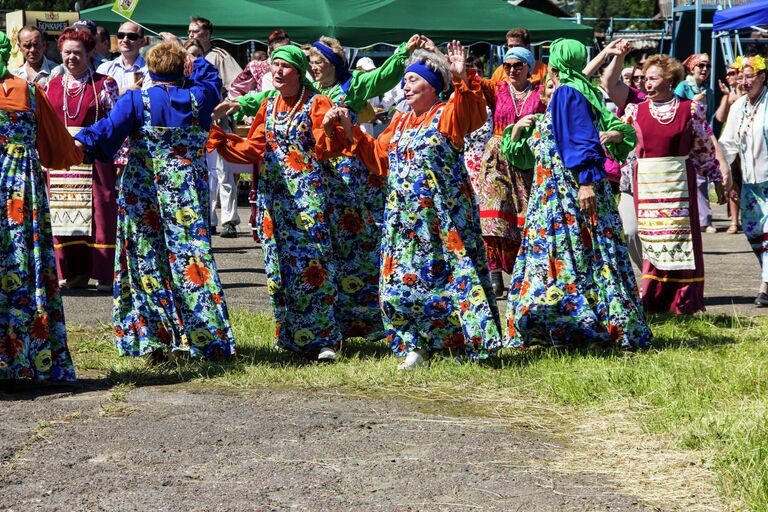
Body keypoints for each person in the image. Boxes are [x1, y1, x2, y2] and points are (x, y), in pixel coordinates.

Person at [228, 35, 422, 342]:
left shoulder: (348, 88)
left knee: (350, 249)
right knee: (310, 256)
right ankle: (306, 328)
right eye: (312, 62)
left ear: (331, 64)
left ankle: (358, 321)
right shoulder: (290, 98)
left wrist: (401, 53)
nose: (315, 68)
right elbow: (261, 103)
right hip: (304, 184)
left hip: (345, 179)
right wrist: (237, 104)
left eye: (319, 62)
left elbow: (382, 77)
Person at [323, 42, 504, 370]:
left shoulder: (447, 113)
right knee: (399, 286)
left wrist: (461, 78)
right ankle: (416, 344)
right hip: (403, 221)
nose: (404, 86)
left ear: (433, 86)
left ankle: (466, 341)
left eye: (412, 80)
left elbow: (470, 113)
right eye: (404, 81)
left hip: (441, 219)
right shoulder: (400, 122)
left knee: (452, 281)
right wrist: (349, 130)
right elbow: (378, 158)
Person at [74, 40, 235, 359]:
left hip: (143, 190)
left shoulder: (135, 101)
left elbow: (106, 134)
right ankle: (205, 338)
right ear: (183, 69)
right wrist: (193, 61)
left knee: (145, 259)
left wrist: (80, 142)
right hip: (186, 190)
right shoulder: (199, 98)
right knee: (192, 260)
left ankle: (152, 339)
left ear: (149, 69)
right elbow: (212, 78)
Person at [206, 44, 353, 361]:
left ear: (299, 72)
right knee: (279, 270)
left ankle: (325, 339)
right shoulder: (269, 105)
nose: (278, 71)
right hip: (275, 202)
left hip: (309, 200)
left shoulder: (317, 103)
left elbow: (329, 149)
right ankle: (290, 336)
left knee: (314, 267)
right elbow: (252, 149)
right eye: (274, 66)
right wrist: (217, 134)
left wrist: (328, 128)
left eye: (285, 66)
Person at [501, 38, 650, 349]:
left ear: (555, 63)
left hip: (564, 195)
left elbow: (582, 140)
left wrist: (586, 180)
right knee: (593, 255)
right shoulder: (584, 90)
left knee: (569, 255)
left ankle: (572, 322)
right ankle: (598, 319)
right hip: (559, 193)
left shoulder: (568, 92)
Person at [0, 30, 83, 381]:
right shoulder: (30, 92)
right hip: (21, 192)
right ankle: (28, 360)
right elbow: (58, 149)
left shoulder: (31, 91)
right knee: (24, 264)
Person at [621, 54, 728, 315]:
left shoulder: (690, 109)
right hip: (647, 183)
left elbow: (703, 148)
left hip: (680, 181)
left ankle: (683, 300)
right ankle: (654, 298)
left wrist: (717, 179)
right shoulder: (634, 111)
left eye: (653, 78)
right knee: (650, 240)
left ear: (669, 79)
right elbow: (623, 147)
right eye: (645, 79)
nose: (647, 83)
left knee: (681, 240)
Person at [45, 28, 119, 292]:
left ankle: (104, 274)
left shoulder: (105, 83)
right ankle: (75, 273)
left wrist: (117, 160)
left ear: (90, 54)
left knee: (100, 212)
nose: (71, 58)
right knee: (64, 216)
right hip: (62, 161)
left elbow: (115, 125)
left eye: (78, 53)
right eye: (67, 53)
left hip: (95, 158)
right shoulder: (50, 86)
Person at [476, 46, 546, 298]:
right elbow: (468, 81)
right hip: (497, 155)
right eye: (507, 65)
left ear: (529, 68)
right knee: (492, 213)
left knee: (524, 215)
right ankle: (494, 272)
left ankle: (521, 271)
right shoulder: (497, 89)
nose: (512, 70)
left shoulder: (541, 93)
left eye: (518, 65)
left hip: (527, 158)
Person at [189, 16, 245, 239]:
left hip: (217, 124)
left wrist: (225, 105)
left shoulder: (219, 56)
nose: (192, 34)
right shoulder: (183, 57)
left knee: (223, 172)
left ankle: (229, 220)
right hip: (195, 126)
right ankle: (208, 218)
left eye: (196, 31)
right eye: (190, 31)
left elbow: (239, 83)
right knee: (204, 174)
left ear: (208, 33)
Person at [719, 54, 768, 307]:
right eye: (741, 77)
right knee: (753, 232)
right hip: (750, 181)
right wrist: (722, 171)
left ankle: (765, 286)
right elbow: (727, 143)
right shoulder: (739, 106)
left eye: (750, 77)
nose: (745, 82)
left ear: (762, 77)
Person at [676, 53, 719, 233]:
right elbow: (676, 108)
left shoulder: (708, 91)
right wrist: (692, 102)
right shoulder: (683, 87)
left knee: (703, 179)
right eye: (700, 65)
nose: (704, 69)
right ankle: (697, 219)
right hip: (686, 139)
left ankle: (704, 220)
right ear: (691, 68)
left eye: (708, 66)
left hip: (702, 140)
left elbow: (709, 118)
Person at [715, 63, 745, 235]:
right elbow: (720, 117)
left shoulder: (750, 93)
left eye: (733, 73)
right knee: (733, 186)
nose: (729, 76)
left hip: (748, 145)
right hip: (731, 144)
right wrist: (727, 97)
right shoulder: (729, 95)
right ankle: (734, 221)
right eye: (727, 74)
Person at [96, 21, 147, 94]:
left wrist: (112, 93)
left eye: (131, 36)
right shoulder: (105, 68)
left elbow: (148, 99)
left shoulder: (149, 69)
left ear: (142, 42)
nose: (125, 39)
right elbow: (98, 98)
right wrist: (129, 90)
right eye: (121, 35)